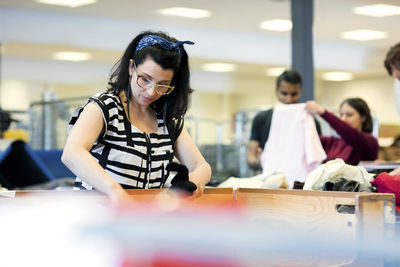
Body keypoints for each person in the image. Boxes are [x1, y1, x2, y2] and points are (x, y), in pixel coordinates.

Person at [62, 31, 212, 202]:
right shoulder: (105, 108)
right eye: (145, 79)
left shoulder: (168, 119)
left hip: (142, 219)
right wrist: (115, 191)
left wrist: (194, 180)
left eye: (163, 85)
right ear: (131, 67)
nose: (151, 91)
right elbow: (72, 153)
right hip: (97, 215)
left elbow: (202, 167)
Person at [247, 70, 320, 170]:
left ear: (300, 91)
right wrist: (263, 161)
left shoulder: (310, 122)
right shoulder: (261, 119)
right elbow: (251, 156)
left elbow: (316, 156)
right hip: (270, 179)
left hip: (300, 181)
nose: (289, 99)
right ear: (276, 90)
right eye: (284, 93)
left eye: (294, 94)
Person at [305, 98, 379, 165]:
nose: (343, 119)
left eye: (349, 115)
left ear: (363, 117)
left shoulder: (369, 142)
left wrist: (322, 112)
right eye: (341, 114)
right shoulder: (332, 142)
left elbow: (350, 133)